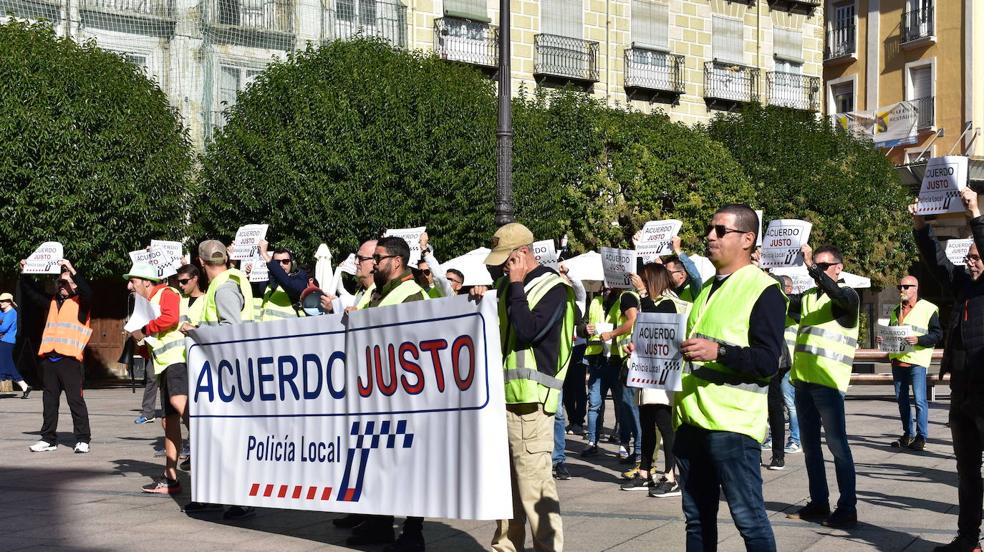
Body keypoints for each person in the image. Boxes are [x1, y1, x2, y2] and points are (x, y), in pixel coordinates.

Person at [673, 204, 785, 551]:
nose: (710, 236)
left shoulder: (764, 289)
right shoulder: (707, 288)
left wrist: (718, 351)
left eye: (721, 230)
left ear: (747, 239)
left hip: (732, 427)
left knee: (749, 521)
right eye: (710, 229)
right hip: (691, 421)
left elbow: (768, 361)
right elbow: (698, 348)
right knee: (697, 521)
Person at [471, 222, 574, 552]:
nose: (502, 267)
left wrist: (514, 284)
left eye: (506, 260)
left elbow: (528, 330)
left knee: (535, 492)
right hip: (502, 402)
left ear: (523, 254)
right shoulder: (504, 287)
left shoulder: (554, 288)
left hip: (532, 405)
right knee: (505, 492)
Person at [340, 236, 428, 552]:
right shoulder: (377, 293)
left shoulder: (413, 294)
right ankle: (379, 525)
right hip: (372, 394)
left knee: (406, 465)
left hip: (400, 396)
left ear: (396, 260)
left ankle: (413, 532)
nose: (374, 262)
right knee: (378, 462)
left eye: (378, 257)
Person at [910, 189, 984, 552]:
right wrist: (921, 227)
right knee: (967, 472)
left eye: (977, 257)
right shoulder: (966, 288)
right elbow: (938, 263)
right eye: (968, 257)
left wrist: (975, 214)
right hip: (963, 393)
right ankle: (968, 539)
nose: (970, 262)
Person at [786, 243, 860, 529]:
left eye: (823, 266)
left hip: (828, 384)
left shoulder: (848, 297)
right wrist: (760, 269)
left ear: (838, 268)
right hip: (803, 382)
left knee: (837, 446)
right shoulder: (807, 299)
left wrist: (813, 270)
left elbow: (837, 293)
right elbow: (780, 298)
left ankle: (847, 507)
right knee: (810, 448)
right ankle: (819, 503)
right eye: (815, 265)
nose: (815, 270)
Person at [180, 240, 255, 520]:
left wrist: (195, 332)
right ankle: (213, 494)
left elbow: (230, 331)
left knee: (230, 439)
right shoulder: (226, 282)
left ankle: (240, 498)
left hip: (229, 375)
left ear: (201, 262)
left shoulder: (224, 287)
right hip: (220, 374)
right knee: (214, 438)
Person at [619, 264, 687, 498]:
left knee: (664, 424)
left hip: (664, 374)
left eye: (646, 282)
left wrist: (643, 295)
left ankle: (671, 475)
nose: (642, 286)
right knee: (647, 423)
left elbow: (655, 323)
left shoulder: (668, 302)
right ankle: (646, 471)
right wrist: (634, 347)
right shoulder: (654, 302)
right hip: (648, 372)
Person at [124, 262, 187, 495]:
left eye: (134, 281)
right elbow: (151, 343)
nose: (130, 286)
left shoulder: (166, 293)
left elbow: (170, 319)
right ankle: (171, 477)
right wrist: (138, 340)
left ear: (147, 282)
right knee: (169, 421)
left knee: (182, 411)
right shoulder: (149, 302)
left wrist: (146, 329)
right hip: (164, 365)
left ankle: (207, 457)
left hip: (177, 362)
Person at [20, 259, 94, 453]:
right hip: (49, 361)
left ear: (74, 285)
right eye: (60, 283)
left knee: (75, 401)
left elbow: (88, 292)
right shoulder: (52, 301)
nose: (62, 286)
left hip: (70, 361)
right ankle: (48, 439)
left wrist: (71, 270)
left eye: (66, 283)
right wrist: (25, 273)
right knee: (49, 402)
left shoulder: (82, 303)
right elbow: (31, 293)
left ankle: (83, 439)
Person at [883, 275, 941, 451]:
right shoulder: (895, 310)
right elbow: (894, 334)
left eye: (906, 286)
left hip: (917, 362)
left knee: (920, 401)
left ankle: (921, 437)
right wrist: (884, 338)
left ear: (916, 288)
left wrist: (919, 339)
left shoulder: (929, 308)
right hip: (898, 361)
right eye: (899, 286)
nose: (902, 289)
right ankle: (908, 434)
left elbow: (937, 335)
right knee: (901, 401)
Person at [579, 286, 636, 458]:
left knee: (622, 405)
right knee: (594, 403)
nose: (608, 286)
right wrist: (584, 329)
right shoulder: (595, 301)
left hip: (617, 360)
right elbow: (582, 324)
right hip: (597, 360)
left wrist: (611, 334)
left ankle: (623, 443)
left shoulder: (625, 299)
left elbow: (632, 320)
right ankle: (592, 442)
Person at [763, 274, 794, 471]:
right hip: (757, 353)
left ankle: (778, 455)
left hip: (775, 357)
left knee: (775, 406)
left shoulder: (778, 295)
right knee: (757, 407)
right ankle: (757, 452)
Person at [251, 239, 308, 321]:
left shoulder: (300, 277)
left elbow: (289, 284)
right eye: (277, 262)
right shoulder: (268, 281)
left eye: (285, 261)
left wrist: (265, 254)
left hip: (292, 330)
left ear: (292, 263)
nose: (281, 265)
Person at [778, 275, 801, 455]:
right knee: (775, 405)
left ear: (789, 289)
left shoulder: (792, 308)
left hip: (789, 362)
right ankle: (774, 437)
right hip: (775, 361)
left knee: (789, 403)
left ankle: (795, 439)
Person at [0, 292, 30, 398]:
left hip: (7, 342)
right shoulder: (1, 312)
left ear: (9, 302)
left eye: (3, 301)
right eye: (0, 301)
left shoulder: (12, 313)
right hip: (2, 341)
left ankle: (25, 386)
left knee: (4, 365)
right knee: (8, 365)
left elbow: (3, 328)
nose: (1, 303)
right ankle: (25, 386)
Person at [663, 236, 704, 303]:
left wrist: (678, 250)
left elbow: (696, 277)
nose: (665, 275)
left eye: (668, 272)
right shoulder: (667, 290)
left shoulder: (693, 289)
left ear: (681, 274)